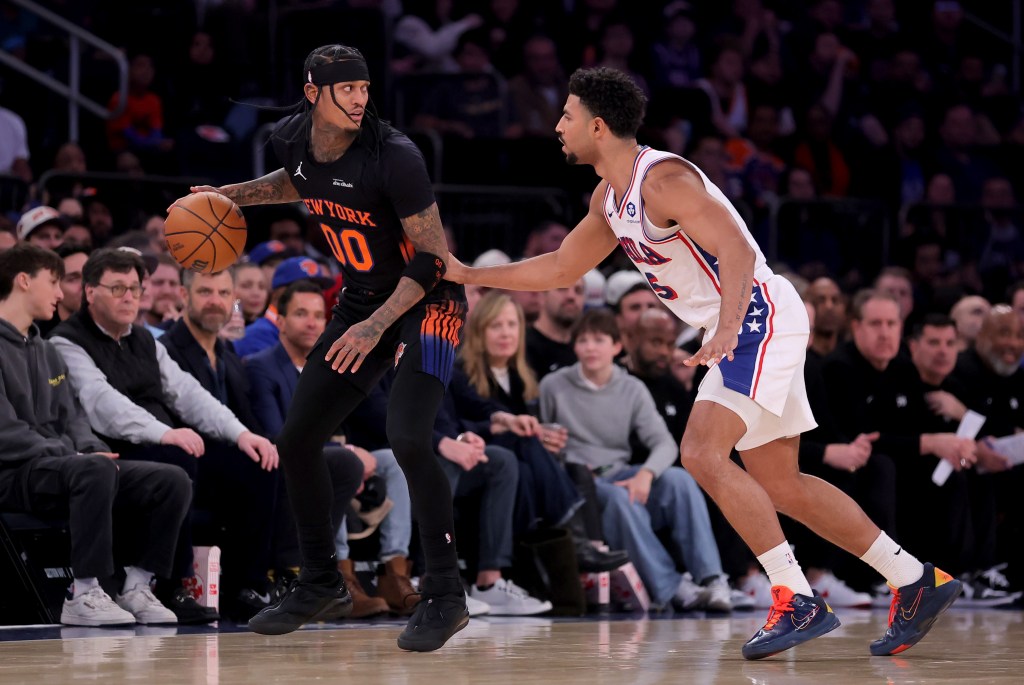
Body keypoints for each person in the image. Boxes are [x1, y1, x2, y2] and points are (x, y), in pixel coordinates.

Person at [446, 67, 962, 659]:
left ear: (598, 126)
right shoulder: (608, 198)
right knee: (781, 483)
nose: (557, 126)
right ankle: (915, 579)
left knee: (699, 452)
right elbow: (562, 267)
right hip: (746, 323)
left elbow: (737, 248)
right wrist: (468, 273)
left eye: (566, 115)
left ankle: (795, 596)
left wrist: (727, 326)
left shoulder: (664, 179)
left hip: (756, 315)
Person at [170, 44, 469, 651]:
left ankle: (445, 592)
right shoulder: (289, 140)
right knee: (298, 437)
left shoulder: (397, 156)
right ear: (313, 93)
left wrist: (376, 327)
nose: (360, 99)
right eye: (346, 89)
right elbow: (298, 181)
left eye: (364, 88)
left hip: (428, 301)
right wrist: (228, 196)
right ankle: (319, 580)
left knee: (409, 437)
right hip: (363, 299)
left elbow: (434, 259)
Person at [0, 244, 190, 627]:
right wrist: (72, 455)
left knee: (170, 480)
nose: (60, 293)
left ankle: (137, 586)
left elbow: (73, 418)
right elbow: (6, 433)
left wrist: (90, 447)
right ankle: (84, 592)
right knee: (93, 470)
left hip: (59, 465)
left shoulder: (46, 350)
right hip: (14, 472)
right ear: (23, 281)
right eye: (53, 282)